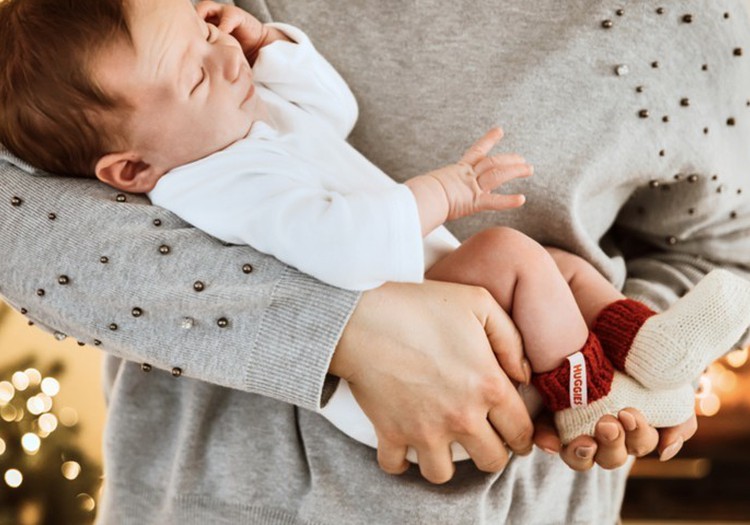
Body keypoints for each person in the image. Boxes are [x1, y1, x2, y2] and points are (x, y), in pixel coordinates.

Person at [0, 0, 745, 523]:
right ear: (130, 170)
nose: (222, 52)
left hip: (529, 478)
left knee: (559, 266)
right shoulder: (213, 181)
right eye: (199, 67)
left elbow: (331, 111)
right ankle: (586, 386)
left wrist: (270, 45)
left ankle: (644, 347)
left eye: (208, 25)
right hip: (379, 415)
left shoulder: (224, 111)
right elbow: (348, 245)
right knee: (512, 253)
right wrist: (440, 195)